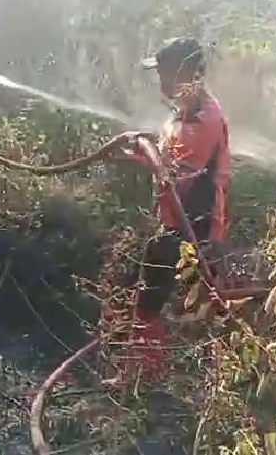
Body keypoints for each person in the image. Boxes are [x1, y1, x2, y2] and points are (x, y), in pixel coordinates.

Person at [112, 37, 231, 380]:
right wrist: (142, 142)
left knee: (153, 289)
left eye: (164, 73)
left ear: (184, 74)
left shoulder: (204, 119)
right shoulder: (190, 110)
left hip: (194, 229)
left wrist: (141, 155)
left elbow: (173, 173)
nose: (160, 83)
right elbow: (171, 147)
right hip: (178, 221)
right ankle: (146, 362)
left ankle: (144, 372)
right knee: (147, 283)